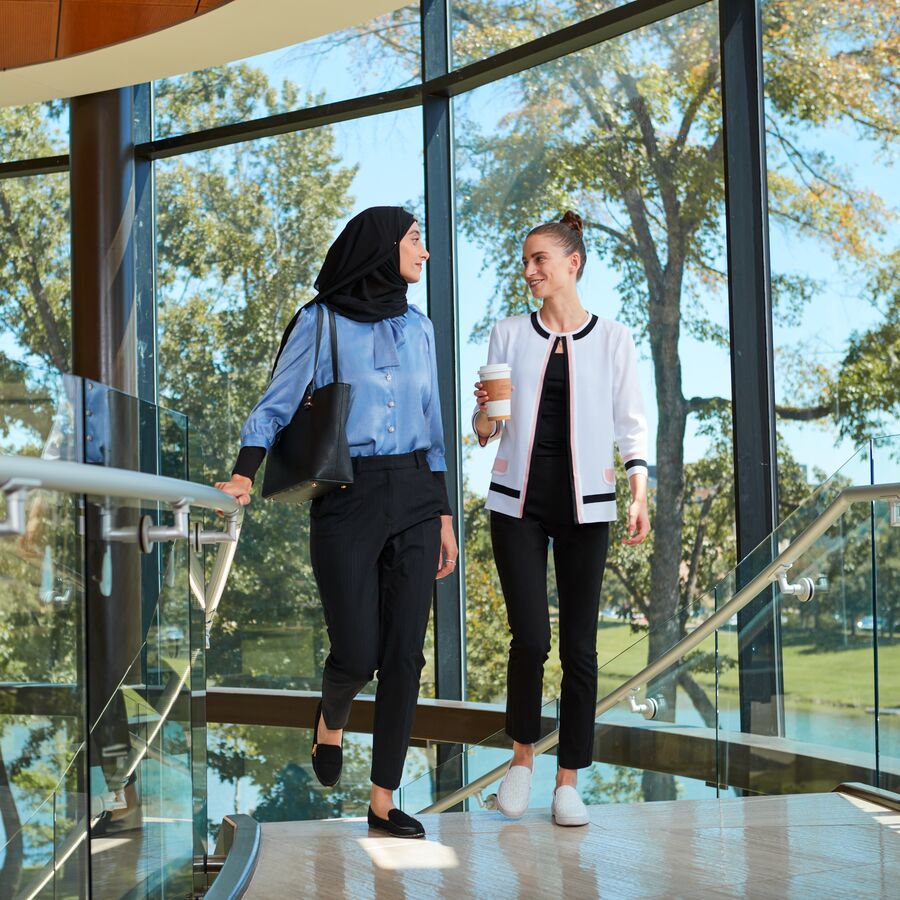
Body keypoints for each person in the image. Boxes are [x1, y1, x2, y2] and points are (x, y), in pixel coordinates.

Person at [216, 206, 458, 839]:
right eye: (414, 240)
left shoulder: (421, 328)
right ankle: (330, 718)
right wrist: (245, 471)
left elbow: (433, 427)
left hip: (413, 492)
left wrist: (443, 512)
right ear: (380, 247)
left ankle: (383, 802)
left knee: (405, 654)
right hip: (346, 499)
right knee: (358, 650)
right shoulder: (319, 322)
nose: (424, 253)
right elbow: (275, 403)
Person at [473, 211, 650, 827]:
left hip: (587, 505)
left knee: (579, 647)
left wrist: (637, 489)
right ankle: (521, 760)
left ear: (572, 263)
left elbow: (631, 421)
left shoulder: (614, 340)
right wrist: (485, 417)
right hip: (515, 501)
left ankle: (569, 780)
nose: (529, 271)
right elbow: (485, 430)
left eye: (539, 260)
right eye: (525, 262)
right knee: (530, 638)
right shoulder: (507, 334)